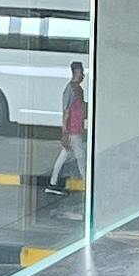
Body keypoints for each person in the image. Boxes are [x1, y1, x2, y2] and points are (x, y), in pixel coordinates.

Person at [49, 61, 89, 200]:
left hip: (76, 128)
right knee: (80, 156)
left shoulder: (78, 89)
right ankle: (86, 182)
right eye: (81, 72)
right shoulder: (70, 90)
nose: (83, 75)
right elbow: (66, 112)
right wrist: (64, 132)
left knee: (66, 155)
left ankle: (53, 182)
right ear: (76, 72)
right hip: (73, 130)